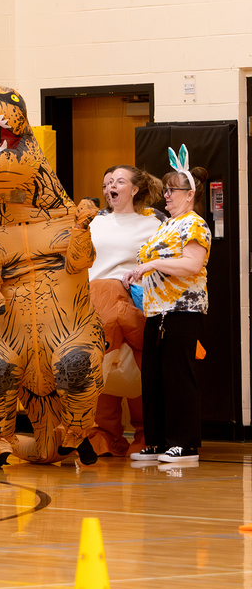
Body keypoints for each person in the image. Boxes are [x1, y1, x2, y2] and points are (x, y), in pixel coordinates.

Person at [124, 147, 210, 466]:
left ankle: (184, 444)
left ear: (189, 195)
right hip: (156, 312)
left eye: (172, 191)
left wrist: (153, 264)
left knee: (178, 377)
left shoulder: (195, 225)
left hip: (183, 312)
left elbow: (191, 264)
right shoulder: (165, 226)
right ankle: (158, 442)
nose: (167, 196)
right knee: (154, 377)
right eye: (166, 191)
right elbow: (153, 263)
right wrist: (137, 272)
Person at [87, 165, 163, 457]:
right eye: (106, 184)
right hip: (98, 298)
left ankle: (147, 434)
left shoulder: (154, 223)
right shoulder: (94, 222)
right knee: (102, 364)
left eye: (118, 182)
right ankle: (104, 433)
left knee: (140, 366)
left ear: (134, 189)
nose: (110, 188)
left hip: (136, 299)